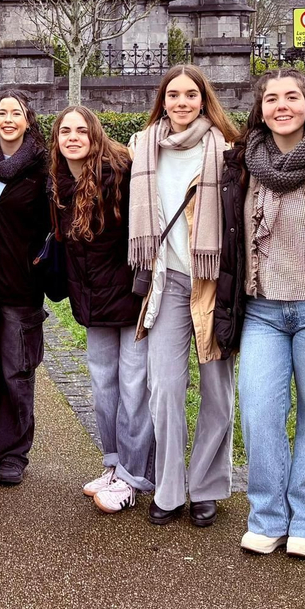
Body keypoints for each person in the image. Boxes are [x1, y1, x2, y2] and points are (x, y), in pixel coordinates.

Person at [214, 69, 305, 559]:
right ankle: (268, 517)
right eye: (271, 98)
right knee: (259, 414)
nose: (281, 105)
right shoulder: (241, 163)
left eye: (291, 96)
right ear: (261, 107)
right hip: (260, 312)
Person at [128, 65, 240, 529]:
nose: (181, 103)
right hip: (166, 280)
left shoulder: (226, 149)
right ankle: (170, 489)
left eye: (190, 95)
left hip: (212, 280)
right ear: (162, 100)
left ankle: (208, 487)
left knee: (216, 389)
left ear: (203, 99)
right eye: (173, 95)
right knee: (165, 387)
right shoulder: (143, 146)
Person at [53, 105, 151, 514]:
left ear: (95, 135)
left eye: (81, 130)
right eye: (64, 132)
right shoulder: (60, 183)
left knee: (134, 387)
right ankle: (113, 464)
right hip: (93, 303)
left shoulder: (121, 175)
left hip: (129, 298)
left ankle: (133, 475)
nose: (73, 137)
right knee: (103, 387)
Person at [0, 90, 51, 486]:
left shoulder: (41, 166)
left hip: (22, 287)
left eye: (15, 112)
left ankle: (14, 455)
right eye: (1, 112)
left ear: (27, 119)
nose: (7, 119)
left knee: (16, 372)